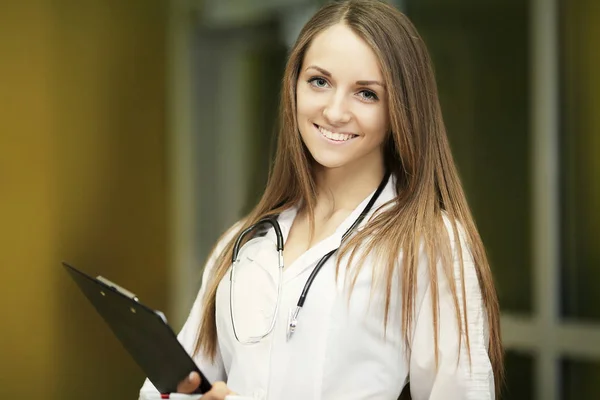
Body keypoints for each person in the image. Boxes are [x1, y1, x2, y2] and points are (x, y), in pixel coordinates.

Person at [139, 0, 503, 399]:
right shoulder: (242, 244)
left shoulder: (429, 244)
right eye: (319, 81)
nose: (335, 111)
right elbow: (167, 389)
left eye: (366, 93)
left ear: (401, 109)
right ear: (293, 84)